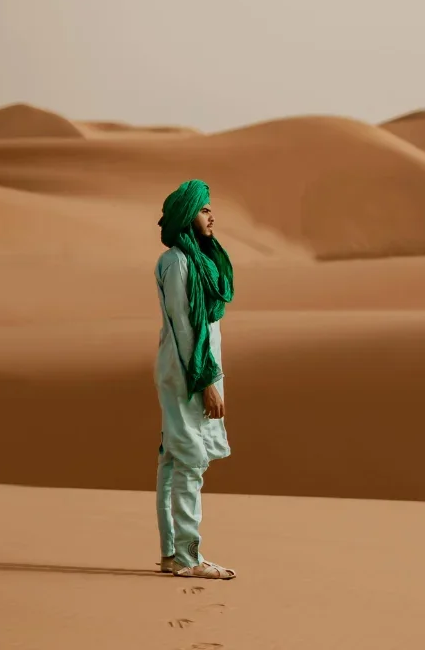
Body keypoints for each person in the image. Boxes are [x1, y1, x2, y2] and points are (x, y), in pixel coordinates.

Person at [153, 179, 237, 580]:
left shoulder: (195, 259)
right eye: (204, 209)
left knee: (174, 458)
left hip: (190, 370)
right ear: (189, 215)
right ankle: (188, 558)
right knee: (188, 460)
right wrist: (206, 381)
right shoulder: (178, 262)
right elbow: (185, 328)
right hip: (187, 372)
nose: (211, 216)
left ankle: (173, 553)